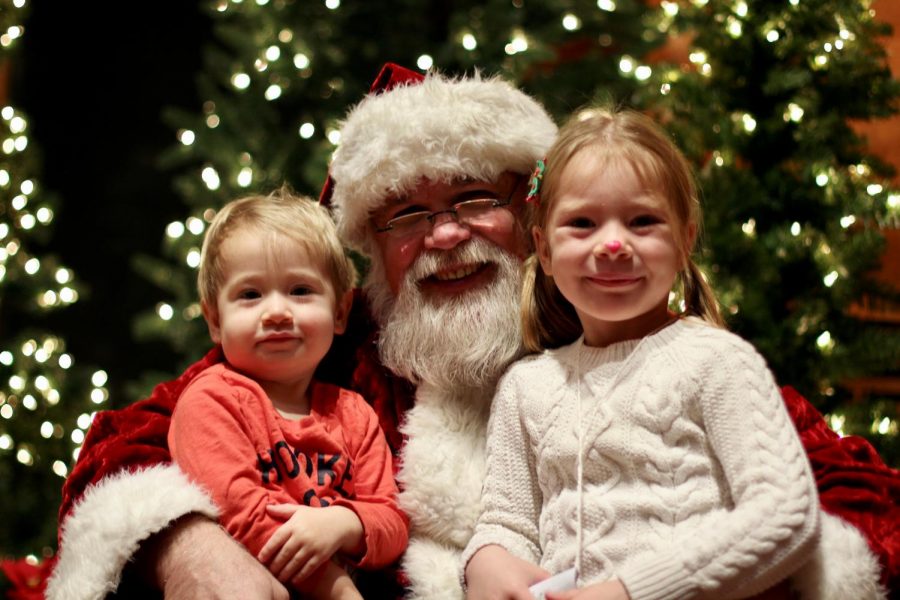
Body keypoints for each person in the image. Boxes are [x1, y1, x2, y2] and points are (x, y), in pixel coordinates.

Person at [48, 64, 897, 600]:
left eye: (473, 200)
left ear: (534, 218)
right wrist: (191, 544)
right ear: (371, 250)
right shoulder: (334, 346)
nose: (445, 236)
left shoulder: (626, 326)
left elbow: (834, 488)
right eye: (409, 214)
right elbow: (136, 438)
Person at [462, 106, 822, 600]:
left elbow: (786, 513)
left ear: (684, 240)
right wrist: (486, 557)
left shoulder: (717, 362)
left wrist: (633, 591)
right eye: (583, 223)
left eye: (643, 221)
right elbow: (506, 520)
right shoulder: (526, 387)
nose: (613, 244)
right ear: (544, 250)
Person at [166, 190, 408, 598]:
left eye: (299, 291)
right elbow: (240, 515)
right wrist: (337, 589)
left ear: (340, 313)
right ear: (214, 320)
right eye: (250, 295)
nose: (276, 311)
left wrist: (345, 525)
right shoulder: (211, 402)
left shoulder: (354, 414)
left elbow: (393, 520)